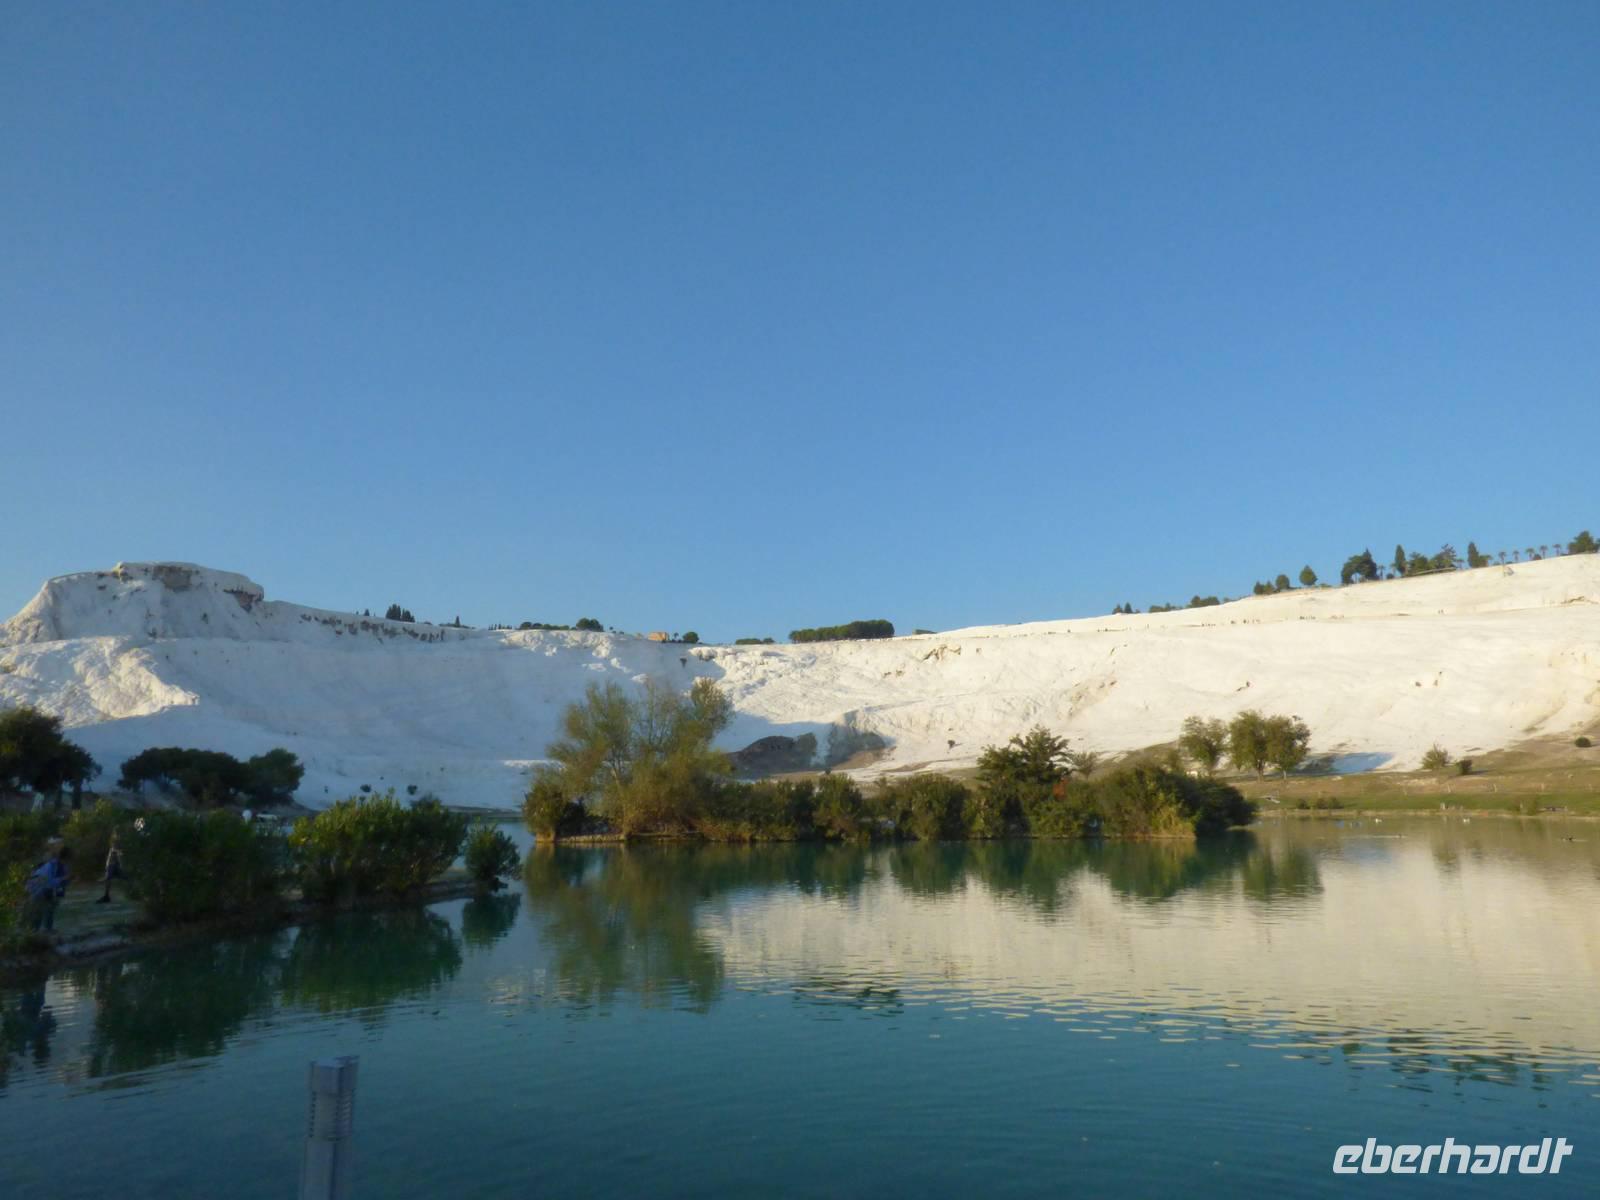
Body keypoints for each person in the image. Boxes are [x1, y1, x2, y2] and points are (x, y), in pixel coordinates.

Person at [24, 845, 73, 932]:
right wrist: (63, 879)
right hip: (37, 889)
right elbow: (47, 882)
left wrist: (68, 880)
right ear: (66, 857)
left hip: (47, 891)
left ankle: (47, 929)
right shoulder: (51, 865)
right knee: (38, 912)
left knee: (51, 907)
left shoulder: (63, 866)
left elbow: (62, 882)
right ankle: (33, 932)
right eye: (70, 857)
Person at [95, 833, 128, 904]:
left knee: (124, 877)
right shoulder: (116, 843)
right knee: (111, 878)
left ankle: (106, 896)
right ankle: (106, 896)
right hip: (113, 864)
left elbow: (118, 854)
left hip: (114, 864)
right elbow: (117, 854)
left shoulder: (118, 843)